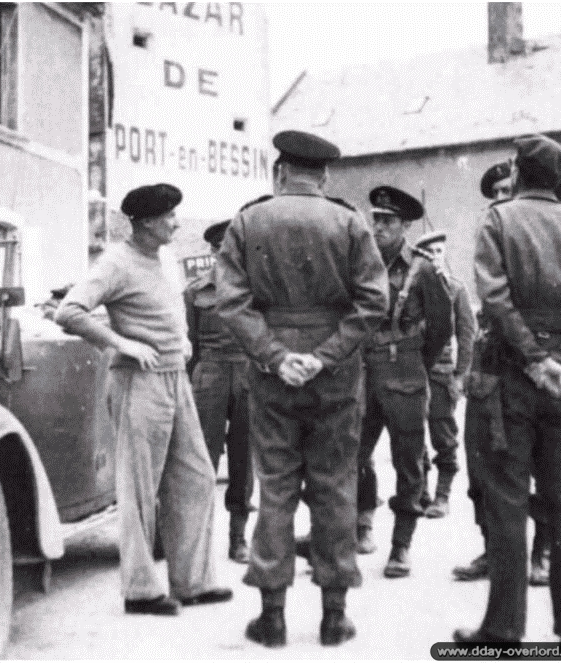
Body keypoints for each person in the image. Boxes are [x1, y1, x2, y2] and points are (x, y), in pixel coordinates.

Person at [215, 130, 388, 647]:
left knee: (276, 489)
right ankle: (334, 617)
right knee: (336, 488)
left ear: (280, 171)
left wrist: (275, 355)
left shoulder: (249, 221)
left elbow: (231, 304)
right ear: (324, 175)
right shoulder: (351, 223)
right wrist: (324, 355)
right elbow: (373, 304)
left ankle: (272, 618)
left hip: (273, 377)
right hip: (334, 375)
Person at [55, 183, 232, 616]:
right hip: (139, 382)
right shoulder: (115, 261)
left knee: (197, 476)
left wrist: (185, 341)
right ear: (148, 223)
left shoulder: (165, 257)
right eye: (170, 216)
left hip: (176, 377)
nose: (176, 222)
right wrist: (121, 343)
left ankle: (191, 582)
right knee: (139, 489)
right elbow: (70, 311)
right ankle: (141, 591)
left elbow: (170, 309)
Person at [454, 134, 561, 644]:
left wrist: (534, 360)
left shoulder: (499, 219)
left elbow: (492, 296)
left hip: (508, 378)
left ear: (518, 173)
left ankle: (504, 629)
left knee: (506, 502)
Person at [452, 161, 550, 585]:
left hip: (532, 363)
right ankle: (493, 549)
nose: (501, 201)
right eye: (494, 195)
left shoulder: (543, 238)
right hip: (489, 363)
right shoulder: (489, 238)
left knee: (541, 466)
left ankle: (540, 555)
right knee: (480, 463)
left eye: (509, 190)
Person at [355, 186, 452, 578]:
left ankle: (401, 545)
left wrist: (413, 362)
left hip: (404, 372)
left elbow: (443, 327)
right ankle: (359, 527)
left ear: (405, 225)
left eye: (388, 221)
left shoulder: (423, 268)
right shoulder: (360, 263)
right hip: (362, 372)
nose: (378, 227)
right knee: (351, 455)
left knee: (408, 462)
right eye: (375, 219)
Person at [185, 219, 254, 564]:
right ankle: (197, 539)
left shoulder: (256, 292)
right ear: (213, 252)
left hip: (247, 375)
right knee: (202, 459)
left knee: (244, 459)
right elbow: (191, 345)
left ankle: (238, 537)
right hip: (209, 375)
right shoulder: (195, 292)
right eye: (220, 251)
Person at [420, 233, 475, 519]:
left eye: (439, 250)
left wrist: (459, 376)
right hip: (413, 371)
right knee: (412, 437)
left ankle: (442, 495)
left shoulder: (455, 289)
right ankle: (421, 492)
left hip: (441, 373)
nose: (434, 256)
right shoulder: (413, 290)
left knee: (443, 435)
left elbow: (467, 335)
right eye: (427, 252)